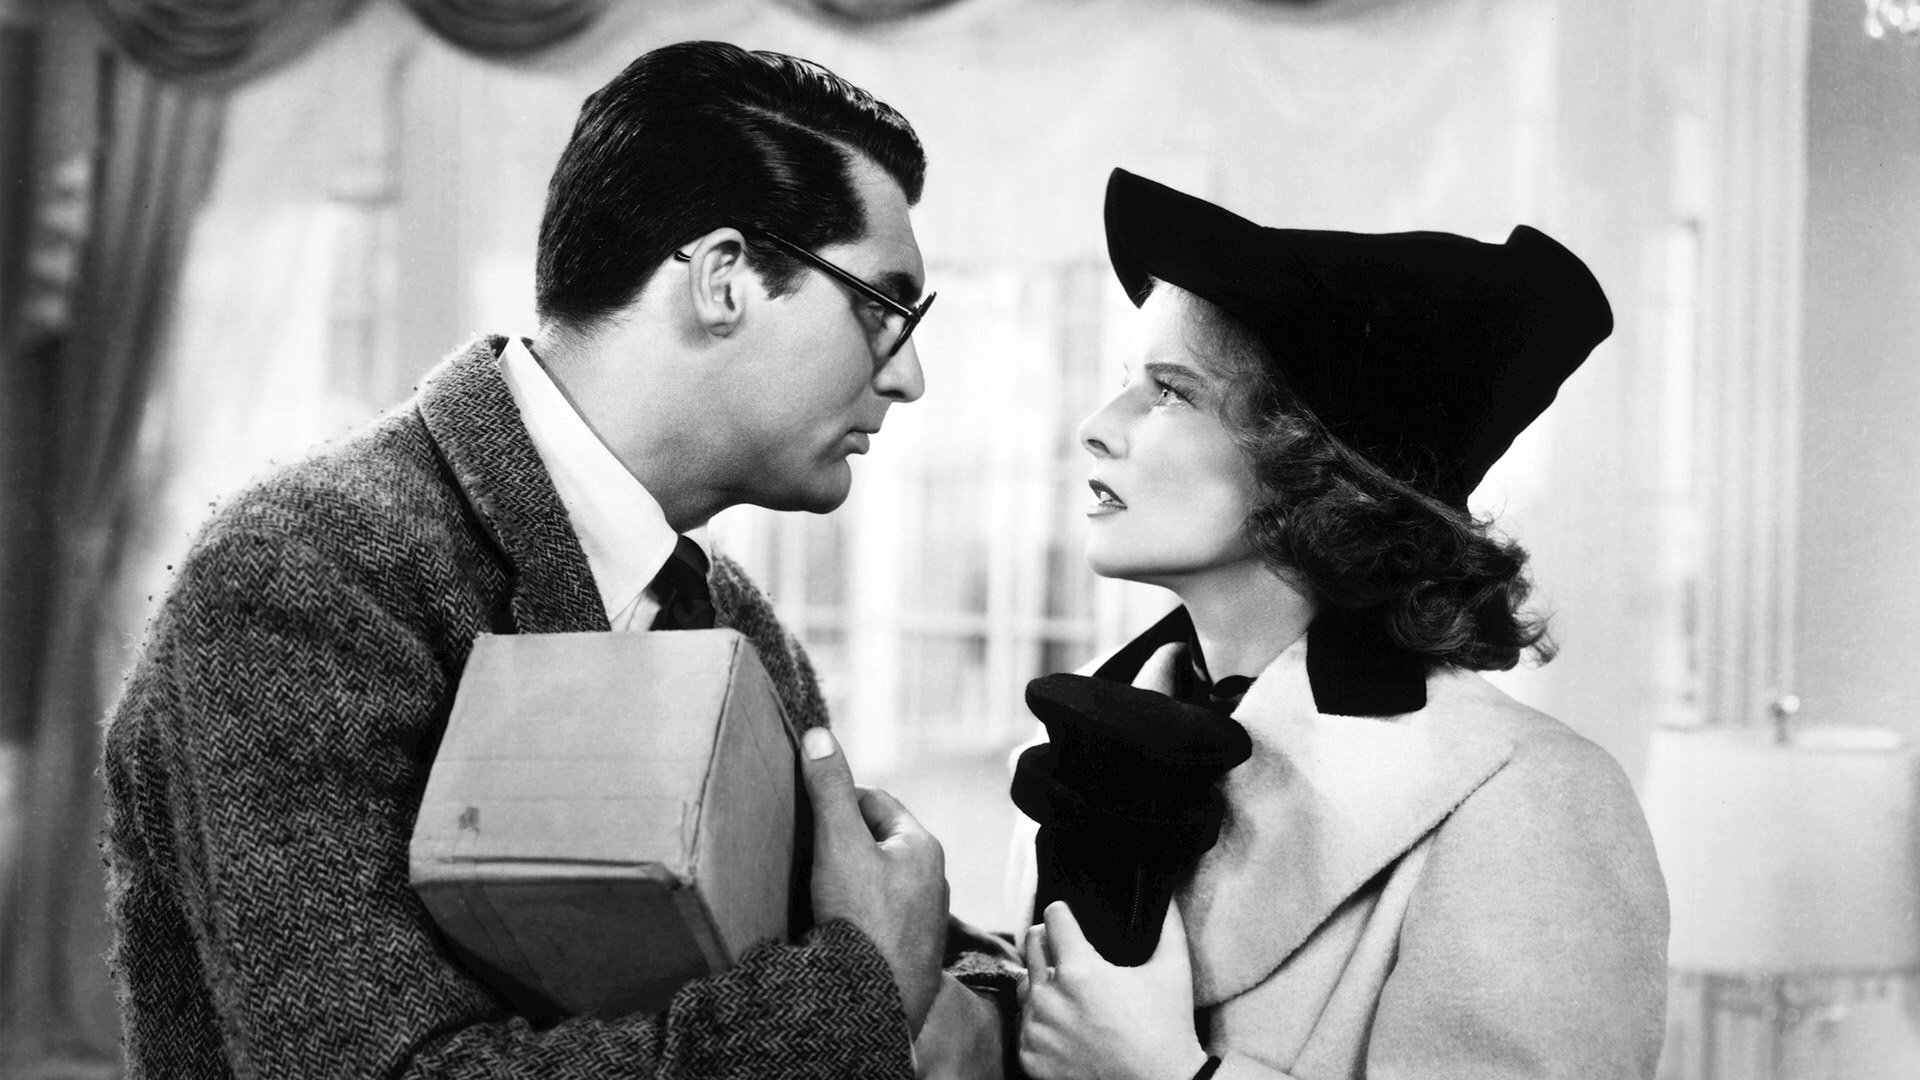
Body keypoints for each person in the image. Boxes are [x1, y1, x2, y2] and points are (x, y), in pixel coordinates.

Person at [102, 40, 1009, 1080]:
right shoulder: (302, 574)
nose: (910, 377)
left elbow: (894, 938)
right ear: (723, 279)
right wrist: (864, 996)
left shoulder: (732, 622)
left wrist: (971, 996)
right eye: (884, 309)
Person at [1012, 169, 1669, 1080]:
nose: (1096, 427)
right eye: (1128, 383)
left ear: (1311, 461)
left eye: (1170, 391)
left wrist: (1165, 1075)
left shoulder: (1527, 795)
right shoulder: (1094, 727)